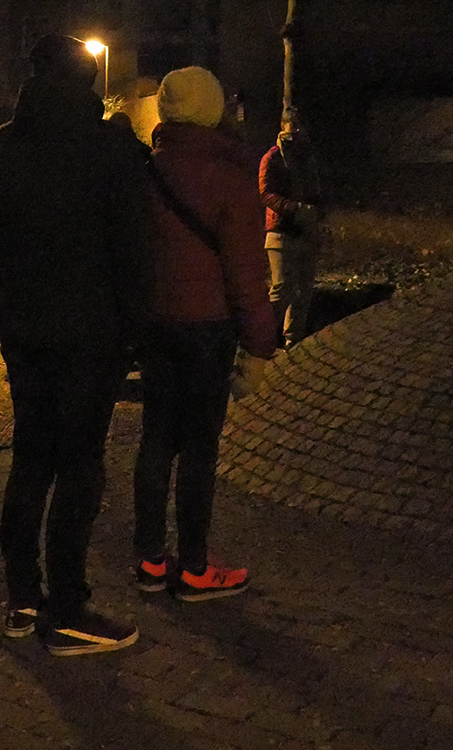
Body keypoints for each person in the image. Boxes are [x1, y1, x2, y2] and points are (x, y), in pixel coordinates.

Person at [0, 33, 152, 656]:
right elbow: (135, 247)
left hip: (25, 330)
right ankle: (68, 608)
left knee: (31, 459)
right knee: (80, 463)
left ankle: (24, 596)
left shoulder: (5, 146)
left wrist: (19, 293)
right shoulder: (109, 146)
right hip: (90, 334)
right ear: (87, 80)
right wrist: (133, 329)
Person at [134, 66, 276, 602]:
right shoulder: (229, 177)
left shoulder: (147, 173)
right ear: (215, 110)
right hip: (207, 330)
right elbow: (246, 270)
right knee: (197, 449)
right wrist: (260, 344)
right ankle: (194, 566)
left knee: (155, 441)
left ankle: (148, 559)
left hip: (156, 325)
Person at [259, 109, 326, 346]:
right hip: (281, 231)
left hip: (305, 231)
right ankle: (259, 339)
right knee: (282, 290)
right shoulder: (273, 157)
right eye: (291, 125)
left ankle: (293, 341)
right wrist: (294, 208)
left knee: (304, 291)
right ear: (282, 126)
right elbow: (266, 193)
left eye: (299, 125)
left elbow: (316, 191)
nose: (296, 130)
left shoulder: (307, 158)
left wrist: (316, 216)